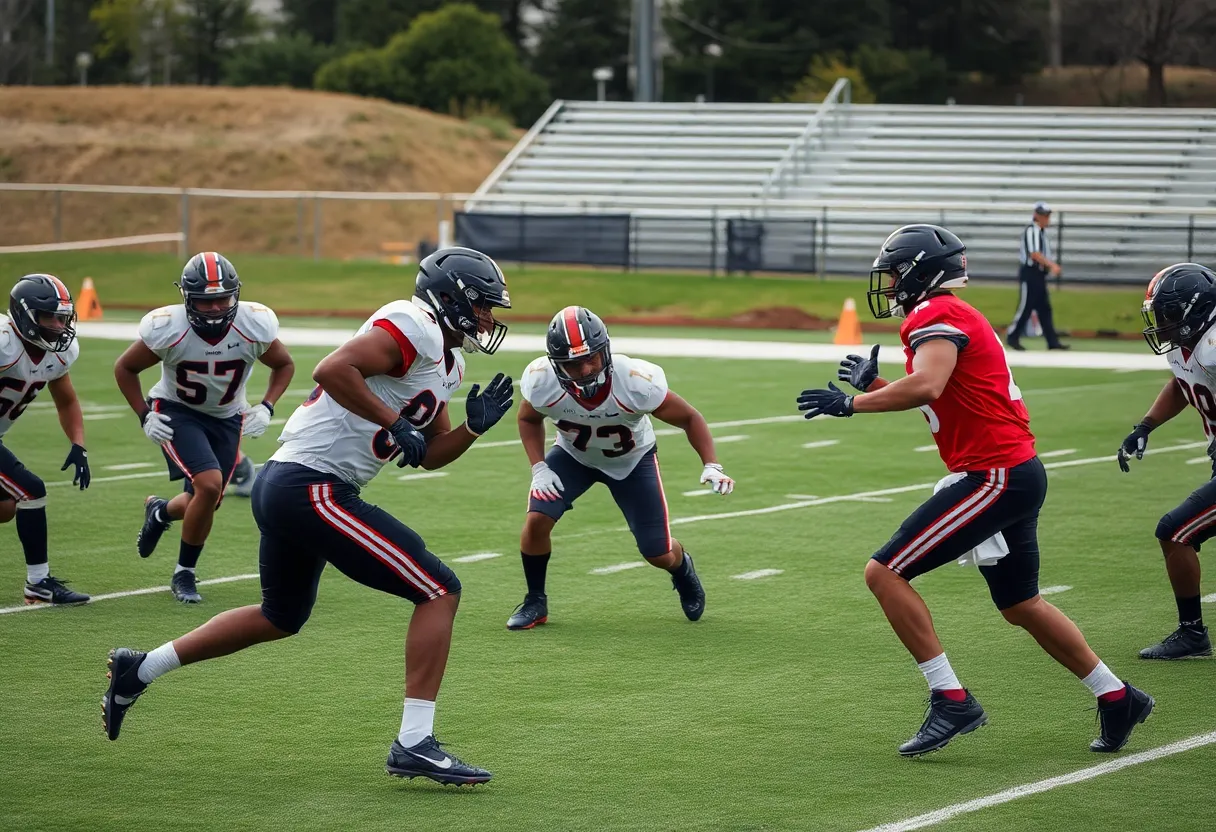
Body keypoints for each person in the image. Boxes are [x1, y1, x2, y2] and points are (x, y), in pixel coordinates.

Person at [102, 247, 515, 786]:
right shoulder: (413, 324)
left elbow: (428, 454)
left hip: (294, 485)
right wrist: (394, 422)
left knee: (280, 616)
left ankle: (140, 668)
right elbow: (332, 368)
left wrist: (472, 429)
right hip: (312, 485)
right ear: (452, 299)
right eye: (482, 307)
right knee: (438, 589)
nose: (488, 319)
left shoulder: (448, 359)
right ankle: (415, 742)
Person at [796, 224, 1152, 756]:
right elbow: (947, 400)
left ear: (919, 273)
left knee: (885, 572)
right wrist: (875, 385)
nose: (890, 286)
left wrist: (853, 404)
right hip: (1014, 470)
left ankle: (951, 697)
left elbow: (928, 385)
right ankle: (1116, 695)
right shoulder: (948, 316)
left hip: (995, 474)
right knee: (1021, 604)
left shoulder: (936, 313)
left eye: (895, 275)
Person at [508, 306, 732, 630]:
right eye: (573, 363)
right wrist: (539, 467)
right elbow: (528, 418)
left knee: (657, 552)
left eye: (592, 359)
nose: (585, 370)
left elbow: (689, 417)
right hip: (574, 456)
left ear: (606, 352)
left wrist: (711, 463)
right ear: (556, 364)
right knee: (536, 522)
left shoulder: (635, 382)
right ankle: (535, 601)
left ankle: (681, 568)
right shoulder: (543, 382)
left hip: (632, 461)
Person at [113, 252, 295, 603]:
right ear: (187, 298)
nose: (214, 308)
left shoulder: (252, 325)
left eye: (222, 299)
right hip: (178, 410)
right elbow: (125, 368)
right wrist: (144, 414)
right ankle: (185, 573)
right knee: (210, 486)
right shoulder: (170, 327)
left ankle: (160, 511)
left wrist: (267, 406)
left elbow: (284, 365)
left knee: (205, 501)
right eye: (205, 301)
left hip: (228, 416)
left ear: (235, 295)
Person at [1117, 262, 1216, 659]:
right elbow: (1182, 382)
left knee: (1175, 532)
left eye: (1168, 314)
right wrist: (1146, 425)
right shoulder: (1193, 345)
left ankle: (1192, 634)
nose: (1162, 324)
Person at [1, 275, 92, 605]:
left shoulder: (57, 355)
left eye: (63, 317)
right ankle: (38, 583)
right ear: (25, 315)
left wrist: (78, 444)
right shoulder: (3, 343)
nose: (58, 325)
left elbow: (67, 400)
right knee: (31, 490)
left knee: (6, 507)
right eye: (49, 317)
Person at [1007, 201, 1068, 351]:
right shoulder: (1032, 231)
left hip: (1039, 274)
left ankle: (1052, 341)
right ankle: (1012, 336)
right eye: (1043, 216)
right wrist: (1052, 265)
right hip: (1031, 273)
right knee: (1026, 306)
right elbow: (1034, 254)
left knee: (1044, 308)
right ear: (1036, 215)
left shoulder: (1040, 232)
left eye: (1047, 216)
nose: (1046, 219)